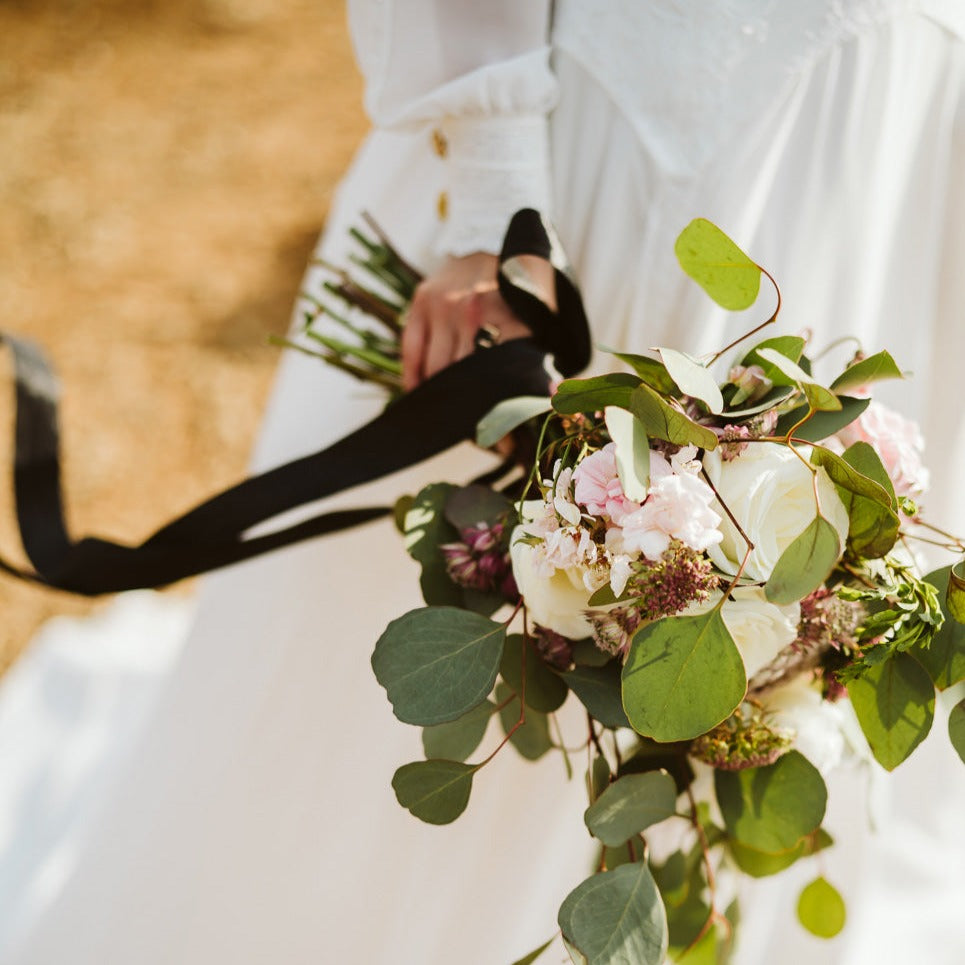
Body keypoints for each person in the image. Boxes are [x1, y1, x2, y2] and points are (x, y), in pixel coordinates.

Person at [1, 2, 964, 962]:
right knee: (428, 628)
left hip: (885, 155)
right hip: (594, 140)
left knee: (778, 645)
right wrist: (497, 204)